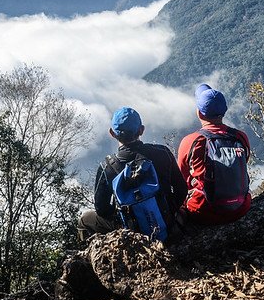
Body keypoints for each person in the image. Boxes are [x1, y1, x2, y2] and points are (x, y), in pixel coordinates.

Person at [78, 106, 187, 239]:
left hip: (132, 233)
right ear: (141, 130)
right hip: (167, 222)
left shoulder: (107, 167)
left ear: (112, 133)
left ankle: (90, 252)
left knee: (85, 219)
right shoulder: (162, 152)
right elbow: (181, 189)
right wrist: (169, 209)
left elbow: (102, 210)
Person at [177, 84, 252, 225]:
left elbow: (182, 179)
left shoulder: (192, 141)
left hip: (204, 212)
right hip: (241, 208)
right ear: (224, 112)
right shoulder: (240, 137)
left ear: (199, 113)